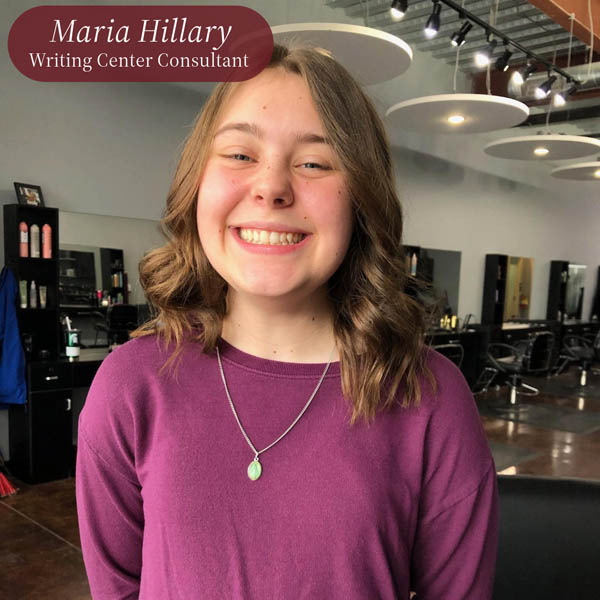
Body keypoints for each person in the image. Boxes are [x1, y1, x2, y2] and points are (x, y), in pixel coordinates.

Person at [76, 44, 498, 599]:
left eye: (314, 163)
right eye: (239, 154)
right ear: (197, 183)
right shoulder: (130, 386)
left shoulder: (429, 398)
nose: (271, 187)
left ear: (361, 200)